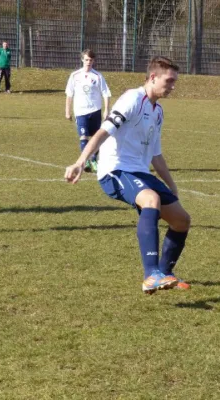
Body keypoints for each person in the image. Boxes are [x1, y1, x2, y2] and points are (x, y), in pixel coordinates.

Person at [64, 56, 191, 294]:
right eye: (169, 81)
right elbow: (104, 130)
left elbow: (156, 155)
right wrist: (81, 162)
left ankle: (164, 273)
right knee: (150, 199)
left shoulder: (158, 111)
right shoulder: (132, 99)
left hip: (140, 172)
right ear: (153, 77)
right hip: (115, 170)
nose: (172, 86)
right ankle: (150, 274)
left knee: (182, 220)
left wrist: (172, 186)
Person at [65, 49, 111, 173]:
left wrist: (106, 110)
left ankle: (94, 160)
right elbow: (69, 94)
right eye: (86, 59)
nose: (88, 62)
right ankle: (85, 162)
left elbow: (106, 93)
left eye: (90, 60)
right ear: (82, 60)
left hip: (95, 110)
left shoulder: (97, 76)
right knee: (83, 136)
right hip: (80, 112)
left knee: (97, 138)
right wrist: (67, 111)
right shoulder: (75, 75)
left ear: (93, 61)